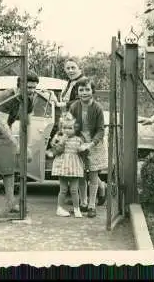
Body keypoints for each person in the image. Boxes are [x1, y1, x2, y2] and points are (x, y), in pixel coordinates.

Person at [0, 72, 38, 213]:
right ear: (20, 85)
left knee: (8, 166)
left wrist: (26, 146)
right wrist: (16, 144)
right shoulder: (8, 97)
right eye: (28, 87)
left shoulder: (30, 98)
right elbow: (1, 123)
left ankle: (11, 204)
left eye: (34, 87)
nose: (31, 91)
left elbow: (26, 124)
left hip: (4, 129)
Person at [68, 77, 107, 218]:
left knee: (93, 174)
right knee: (81, 175)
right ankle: (83, 203)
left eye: (87, 89)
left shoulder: (97, 108)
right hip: (79, 143)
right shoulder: (74, 107)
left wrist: (91, 144)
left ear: (93, 91)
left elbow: (101, 130)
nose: (84, 92)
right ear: (78, 92)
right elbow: (69, 125)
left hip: (94, 144)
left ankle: (92, 205)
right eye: (81, 90)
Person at [50, 115, 86, 218]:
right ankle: (60, 208)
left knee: (74, 189)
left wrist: (83, 149)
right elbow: (54, 148)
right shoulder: (59, 137)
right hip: (63, 166)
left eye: (70, 128)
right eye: (64, 128)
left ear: (75, 129)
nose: (67, 130)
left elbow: (82, 152)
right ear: (61, 128)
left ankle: (76, 209)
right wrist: (61, 139)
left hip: (74, 167)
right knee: (63, 189)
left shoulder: (78, 139)